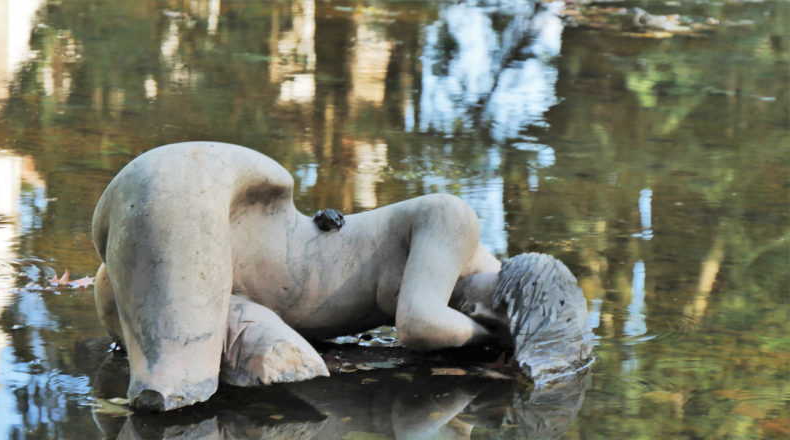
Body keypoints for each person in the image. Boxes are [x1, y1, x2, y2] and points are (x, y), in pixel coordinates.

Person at [93, 142, 592, 411]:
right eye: (497, 307)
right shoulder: (455, 219)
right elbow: (418, 325)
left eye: (494, 322)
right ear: (509, 277)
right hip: (195, 201)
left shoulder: (453, 276)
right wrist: (486, 338)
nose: (479, 312)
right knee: (178, 391)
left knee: (259, 365)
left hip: (214, 273)